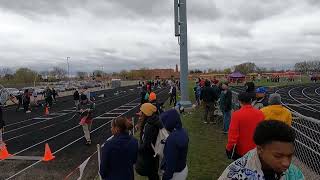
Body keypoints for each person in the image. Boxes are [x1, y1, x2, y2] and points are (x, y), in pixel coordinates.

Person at [219, 120, 304, 180]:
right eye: (278, 156)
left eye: (289, 156)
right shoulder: (235, 174)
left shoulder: (294, 173)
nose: (286, 163)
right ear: (260, 149)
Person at [226, 92, 264, 160]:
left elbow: (233, 134)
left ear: (239, 101)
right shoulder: (260, 113)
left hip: (241, 151)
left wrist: (229, 148)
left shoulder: (236, 115)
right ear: (251, 100)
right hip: (256, 149)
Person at [135, 103, 163, 180]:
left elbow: (146, 146)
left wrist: (137, 148)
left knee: (153, 175)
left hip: (151, 157)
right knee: (153, 175)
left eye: (141, 112)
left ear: (146, 113)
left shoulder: (149, 126)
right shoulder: (154, 120)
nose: (139, 114)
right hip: (154, 155)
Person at [161, 109, 189, 180]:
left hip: (175, 174)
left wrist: (165, 177)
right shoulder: (183, 131)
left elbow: (170, 165)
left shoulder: (172, 140)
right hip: (183, 168)